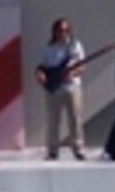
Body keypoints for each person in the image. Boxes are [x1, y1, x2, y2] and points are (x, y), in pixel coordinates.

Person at [35, 18, 86, 160]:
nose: (62, 33)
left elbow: (82, 66)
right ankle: (52, 150)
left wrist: (71, 74)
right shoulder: (48, 48)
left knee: (75, 119)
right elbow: (43, 67)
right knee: (53, 120)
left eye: (65, 30)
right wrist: (41, 76)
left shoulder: (75, 46)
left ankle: (78, 149)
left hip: (72, 87)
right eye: (59, 30)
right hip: (55, 89)